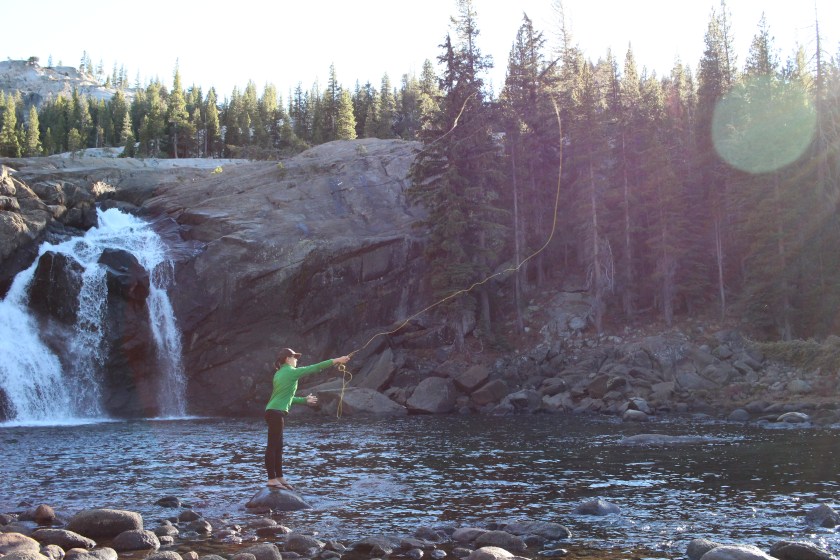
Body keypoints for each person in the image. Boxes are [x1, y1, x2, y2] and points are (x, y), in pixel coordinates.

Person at [264, 347, 350, 489]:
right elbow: (315, 368)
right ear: (287, 359)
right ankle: (271, 479)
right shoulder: (291, 372)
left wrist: (304, 401)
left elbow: (286, 397)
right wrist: (337, 360)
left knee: (278, 447)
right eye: (294, 357)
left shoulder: (279, 373)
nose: (297, 360)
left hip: (273, 411)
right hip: (276, 412)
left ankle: (279, 477)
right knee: (273, 447)